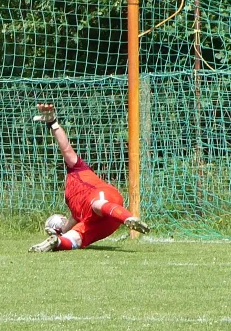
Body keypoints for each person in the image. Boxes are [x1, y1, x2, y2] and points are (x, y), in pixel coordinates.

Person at [29, 104, 150, 252]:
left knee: (97, 204)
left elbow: (65, 147)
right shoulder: (76, 214)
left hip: (105, 199)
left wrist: (53, 124)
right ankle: (57, 242)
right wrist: (61, 234)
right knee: (76, 238)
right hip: (104, 222)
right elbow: (70, 225)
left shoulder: (77, 170)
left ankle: (128, 218)